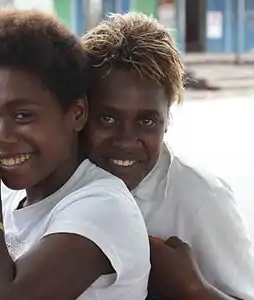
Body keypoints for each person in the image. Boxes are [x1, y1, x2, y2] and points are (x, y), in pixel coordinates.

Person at [0, 8, 150, 300]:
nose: (1, 138)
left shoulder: (103, 206)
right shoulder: (6, 201)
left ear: (76, 114)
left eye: (22, 115)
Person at [82, 12, 254, 300]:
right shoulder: (58, 179)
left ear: (167, 120)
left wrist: (192, 289)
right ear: (80, 113)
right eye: (107, 118)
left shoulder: (200, 199)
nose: (126, 140)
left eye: (147, 121)